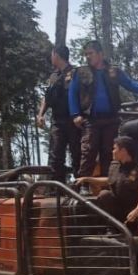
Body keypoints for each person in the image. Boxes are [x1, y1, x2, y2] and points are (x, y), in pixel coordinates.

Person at [68, 40, 138, 177]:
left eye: (91, 53)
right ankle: (83, 184)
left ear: (100, 54)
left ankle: (108, 183)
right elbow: (72, 93)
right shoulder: (80, 73)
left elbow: (129, 83)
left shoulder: (113, 71)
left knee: (109, 153)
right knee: (88, 151)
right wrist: (75, 114)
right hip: (91, 119)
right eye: (86, 54)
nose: (88, 57)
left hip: (111, 119)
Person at [75, 136, 138, 231]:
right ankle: (112, 226)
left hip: (132, 207)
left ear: (123, 151)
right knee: (104, 194)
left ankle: (131, 225)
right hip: (117, 205)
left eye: (115, 148)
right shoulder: (114, 166)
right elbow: (109, 180)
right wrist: (86, 179)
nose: (113, 151)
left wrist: (136, 211)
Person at [36, 44, 78, 183]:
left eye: (52, 54)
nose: (51, 57)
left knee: (76, 154)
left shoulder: (75, 73)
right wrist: (41, 114)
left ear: (56, 55)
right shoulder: (54, 76)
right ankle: (57, 188)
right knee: (56, 156)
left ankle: (80, 186)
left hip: (73, 121)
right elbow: (47, 97)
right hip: (57, 121)